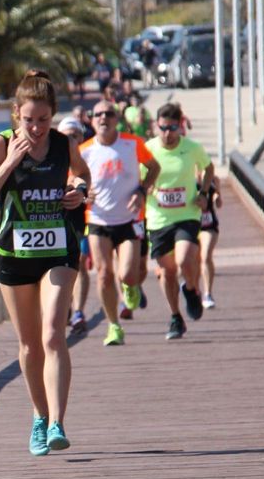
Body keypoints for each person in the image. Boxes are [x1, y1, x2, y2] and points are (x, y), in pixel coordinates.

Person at [0, 70, 91, 456]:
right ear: (15, 114)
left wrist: (79, 191)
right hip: (15, 255)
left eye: (43, 119)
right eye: (28, 120)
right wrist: (9, 163)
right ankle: (40, 415)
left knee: (53, 334)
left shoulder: (63, 143)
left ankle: (57, 423)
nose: (36, 128)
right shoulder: (0, 144)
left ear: (53, 114)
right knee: (29, 344)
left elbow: (82, 174)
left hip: (58, 249)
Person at [80, 100, 160, 345]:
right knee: (104, 274)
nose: (103, 118)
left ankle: (131, 286)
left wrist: (142, 190)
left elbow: (154, 167)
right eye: (98, 114)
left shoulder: (132, 143)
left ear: (117, 119)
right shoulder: (84, 151)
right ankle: (113, 326)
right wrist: (83, 192)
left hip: (129, 219)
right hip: (98, 219)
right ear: (92, 120)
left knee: (127, 273)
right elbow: (73, 180)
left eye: (109, 114)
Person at [144, 103, 213, 340]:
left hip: (187, 215)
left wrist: (204, 193)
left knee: (184, 259)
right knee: (167, 272)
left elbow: (209, 168)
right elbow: (138, 177)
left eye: (172, 128)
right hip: (158, 218)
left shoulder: (192, 148)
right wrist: (145, 187)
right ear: (156, 126)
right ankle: (175, 316)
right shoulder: (148, 149)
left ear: (180, 127)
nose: (167, 133)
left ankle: (191, 290)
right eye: (163, 128)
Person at [58, 117, 92, 335]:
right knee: (60, 265)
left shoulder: (90, 153)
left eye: (75, 135)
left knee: (79, 262)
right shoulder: (53, 155)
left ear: (81, 136)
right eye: (66, 135)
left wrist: (86, 192)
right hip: (59, 218)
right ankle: (65, 305)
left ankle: (79, 311)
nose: (71, 139)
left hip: (85, 217)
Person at [199, 174, 222, 309]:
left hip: (208, 224)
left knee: (206, 256)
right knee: (190, 262)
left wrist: (217, 196)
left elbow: (219, 203)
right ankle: (192, 288)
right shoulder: (183, 174)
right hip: (189, 225)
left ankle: (208, 293)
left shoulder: (212, 178)